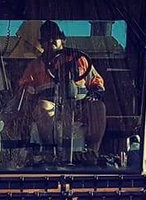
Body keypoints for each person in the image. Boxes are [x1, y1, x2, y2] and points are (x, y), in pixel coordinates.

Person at [15, 20, 107, 164]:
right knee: (43, 107)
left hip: (79, 108)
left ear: (62, 39)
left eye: (54, 37)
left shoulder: (80, 60)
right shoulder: (35, 66)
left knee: (98, 107)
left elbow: (97, 81)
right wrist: (28, 91)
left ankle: (92, 152)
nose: (50, 40)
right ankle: (50, 154)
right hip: (52, 109)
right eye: (46, 38)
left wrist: (94, 95)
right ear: (41, 43)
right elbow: (23, 88)